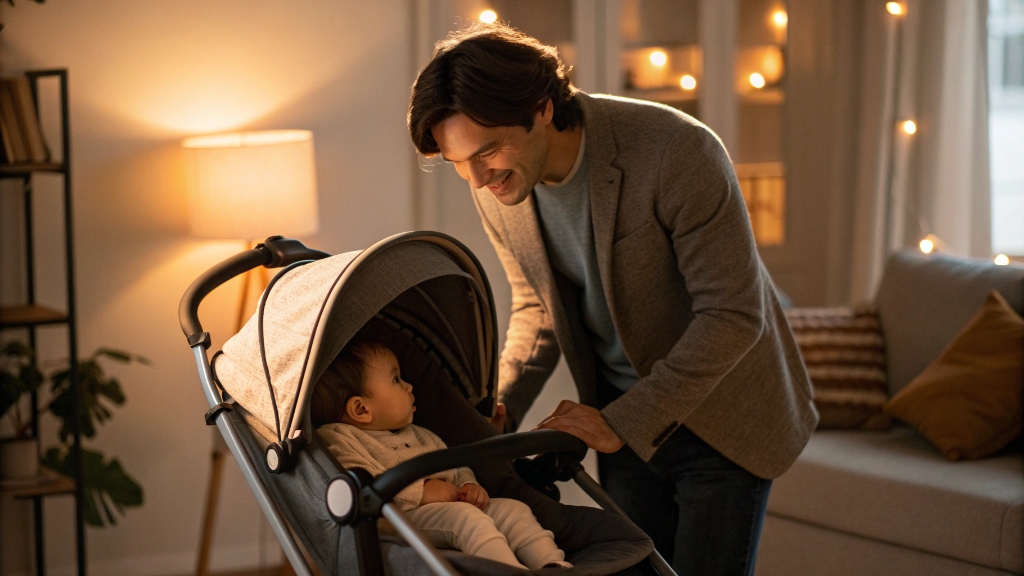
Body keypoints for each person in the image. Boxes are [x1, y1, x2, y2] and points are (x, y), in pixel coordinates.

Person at [407, 23, 819, 576]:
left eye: (488, 152)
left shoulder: (677, 150)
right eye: (459, 163)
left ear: (541, 108)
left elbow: (733, 315)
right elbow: (538, 308)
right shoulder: (500, 184)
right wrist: (495, 411)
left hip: (721, 415)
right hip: (619, 418)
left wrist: (622, 422)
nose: (478, 180)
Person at [312, 339, 572, 570]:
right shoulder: (340, 437)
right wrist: (421, 492)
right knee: (467, 519)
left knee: (515, 510)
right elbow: (357, 485)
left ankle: (551, 564)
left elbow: (454, 465)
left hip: (451, 507)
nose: (409, 386)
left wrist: (467, 484)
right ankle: (508, 571)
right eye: (396, 380)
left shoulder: (420, 434)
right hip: (399, 521)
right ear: (361, 409)